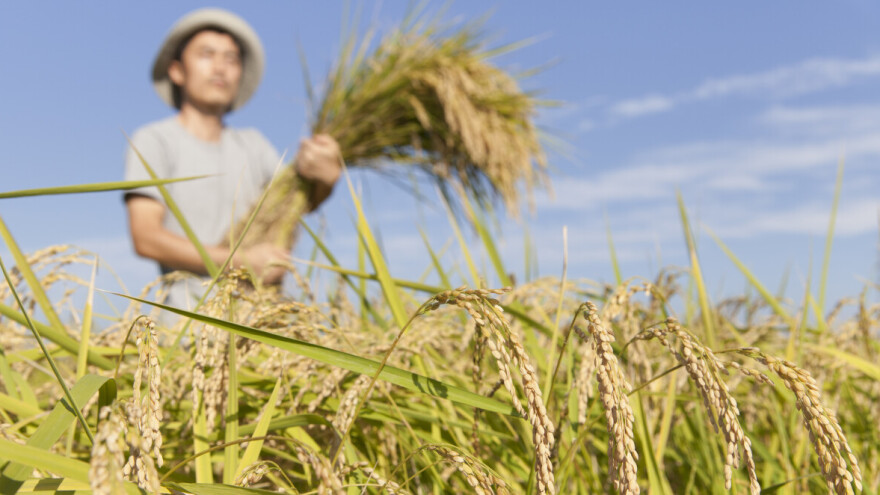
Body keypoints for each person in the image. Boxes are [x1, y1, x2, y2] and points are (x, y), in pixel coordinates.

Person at [123, 8, 340, 310]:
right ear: (177, 71)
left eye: (232, 59)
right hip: (189, 326)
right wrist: (244, 261)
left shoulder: (254, 145)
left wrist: (326, 178)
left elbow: (295, 204)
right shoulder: (156, 140)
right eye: (207, 54)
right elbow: (146, 237)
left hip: (261, 324)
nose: (220, 68)